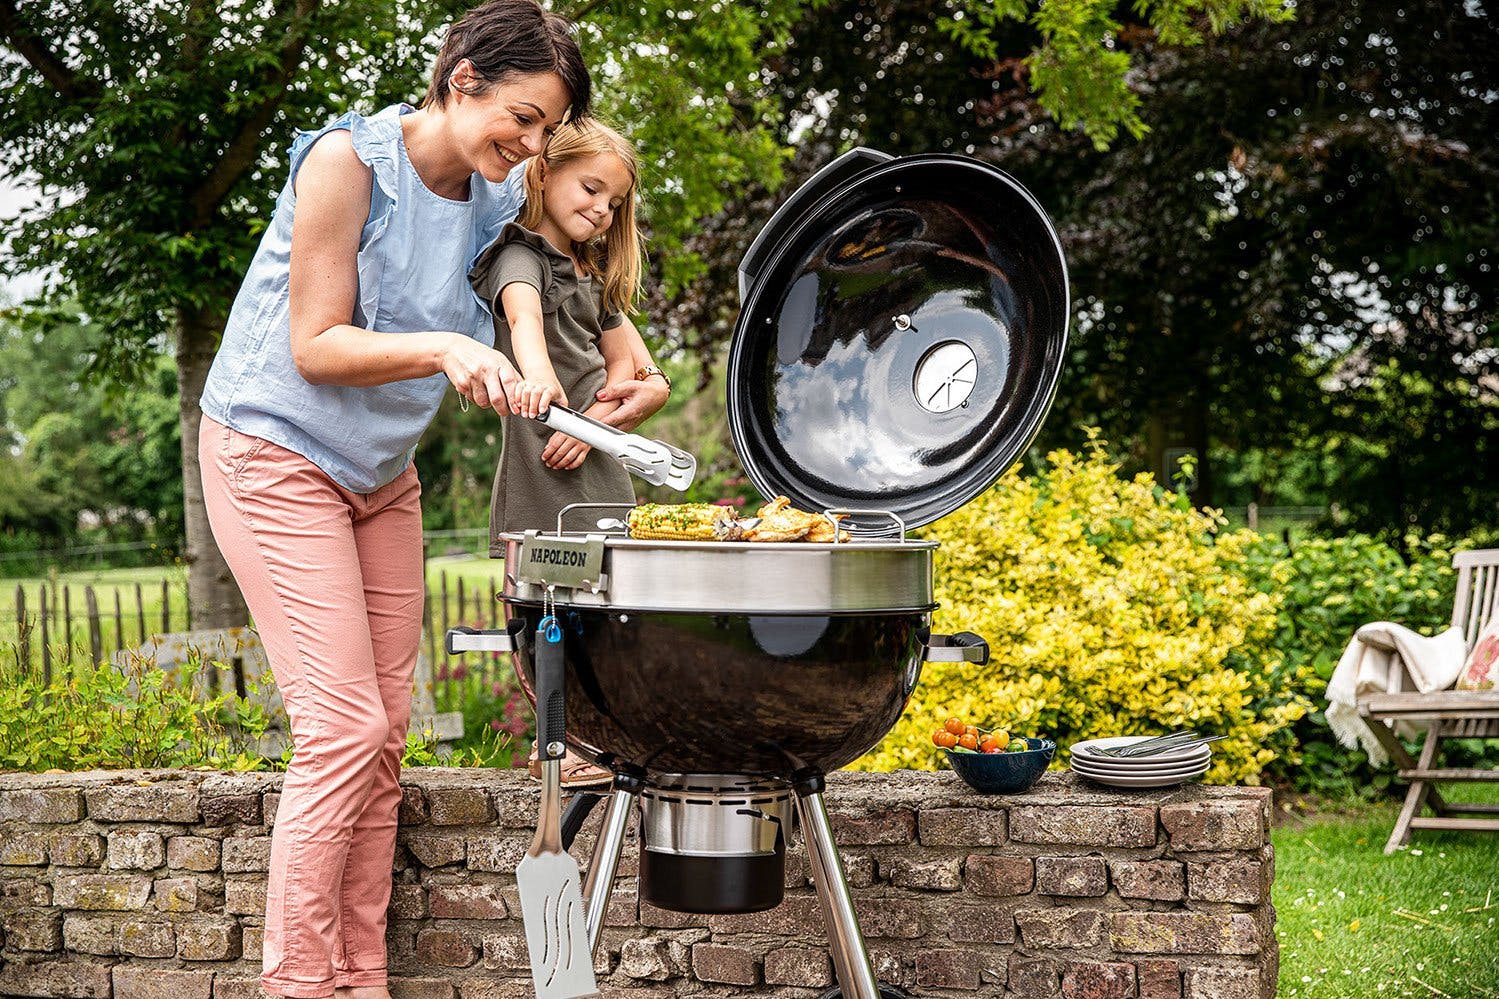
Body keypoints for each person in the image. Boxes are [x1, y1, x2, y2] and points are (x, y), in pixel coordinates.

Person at [194, 3, 606, 996]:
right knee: (340, 732)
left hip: (380, 479)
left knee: (383, 739)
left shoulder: (493, 194)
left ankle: (361, 978)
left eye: (549, 128)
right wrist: (446, 347)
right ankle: (299, 986)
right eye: (522, 116)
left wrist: (535, 356)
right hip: (274, 451)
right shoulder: (348, 164)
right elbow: (316, 345)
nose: (534, 144)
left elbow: (511, 285)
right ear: (460, 80)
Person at [469, 118, 671, 784]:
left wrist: (594, 416)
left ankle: (602, 733)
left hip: (601, 471)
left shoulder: (594, 272)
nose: (600, 209)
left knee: (606, 612)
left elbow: (634, 375)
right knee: (545, 609)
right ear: (543, 172)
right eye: (590, 188)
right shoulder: (518, 256)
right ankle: (561, 741)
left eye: (612, 203)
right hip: (542, 478)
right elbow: (523, 317)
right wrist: (537, 376)